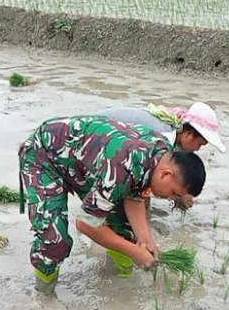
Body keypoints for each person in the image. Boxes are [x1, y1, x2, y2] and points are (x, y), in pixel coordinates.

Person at [18, 116, 206, 292]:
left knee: (125, 229)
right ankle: (45, 295)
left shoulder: (161, 153)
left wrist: (145, 240)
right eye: (174, 193)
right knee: (54, 240)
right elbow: (85, 224)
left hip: (83, 163)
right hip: (44, 156)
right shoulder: (121, 168)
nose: (170, 198)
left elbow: (135, 195)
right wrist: (134, 252)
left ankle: (118, 288)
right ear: (166, 174)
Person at [99, 102, 223, 210]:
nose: (197, 149)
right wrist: (179, 195)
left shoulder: (172, 128)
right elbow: (143, 176)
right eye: (199, 144)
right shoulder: (162, 136)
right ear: (188, 135)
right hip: (99, 139)